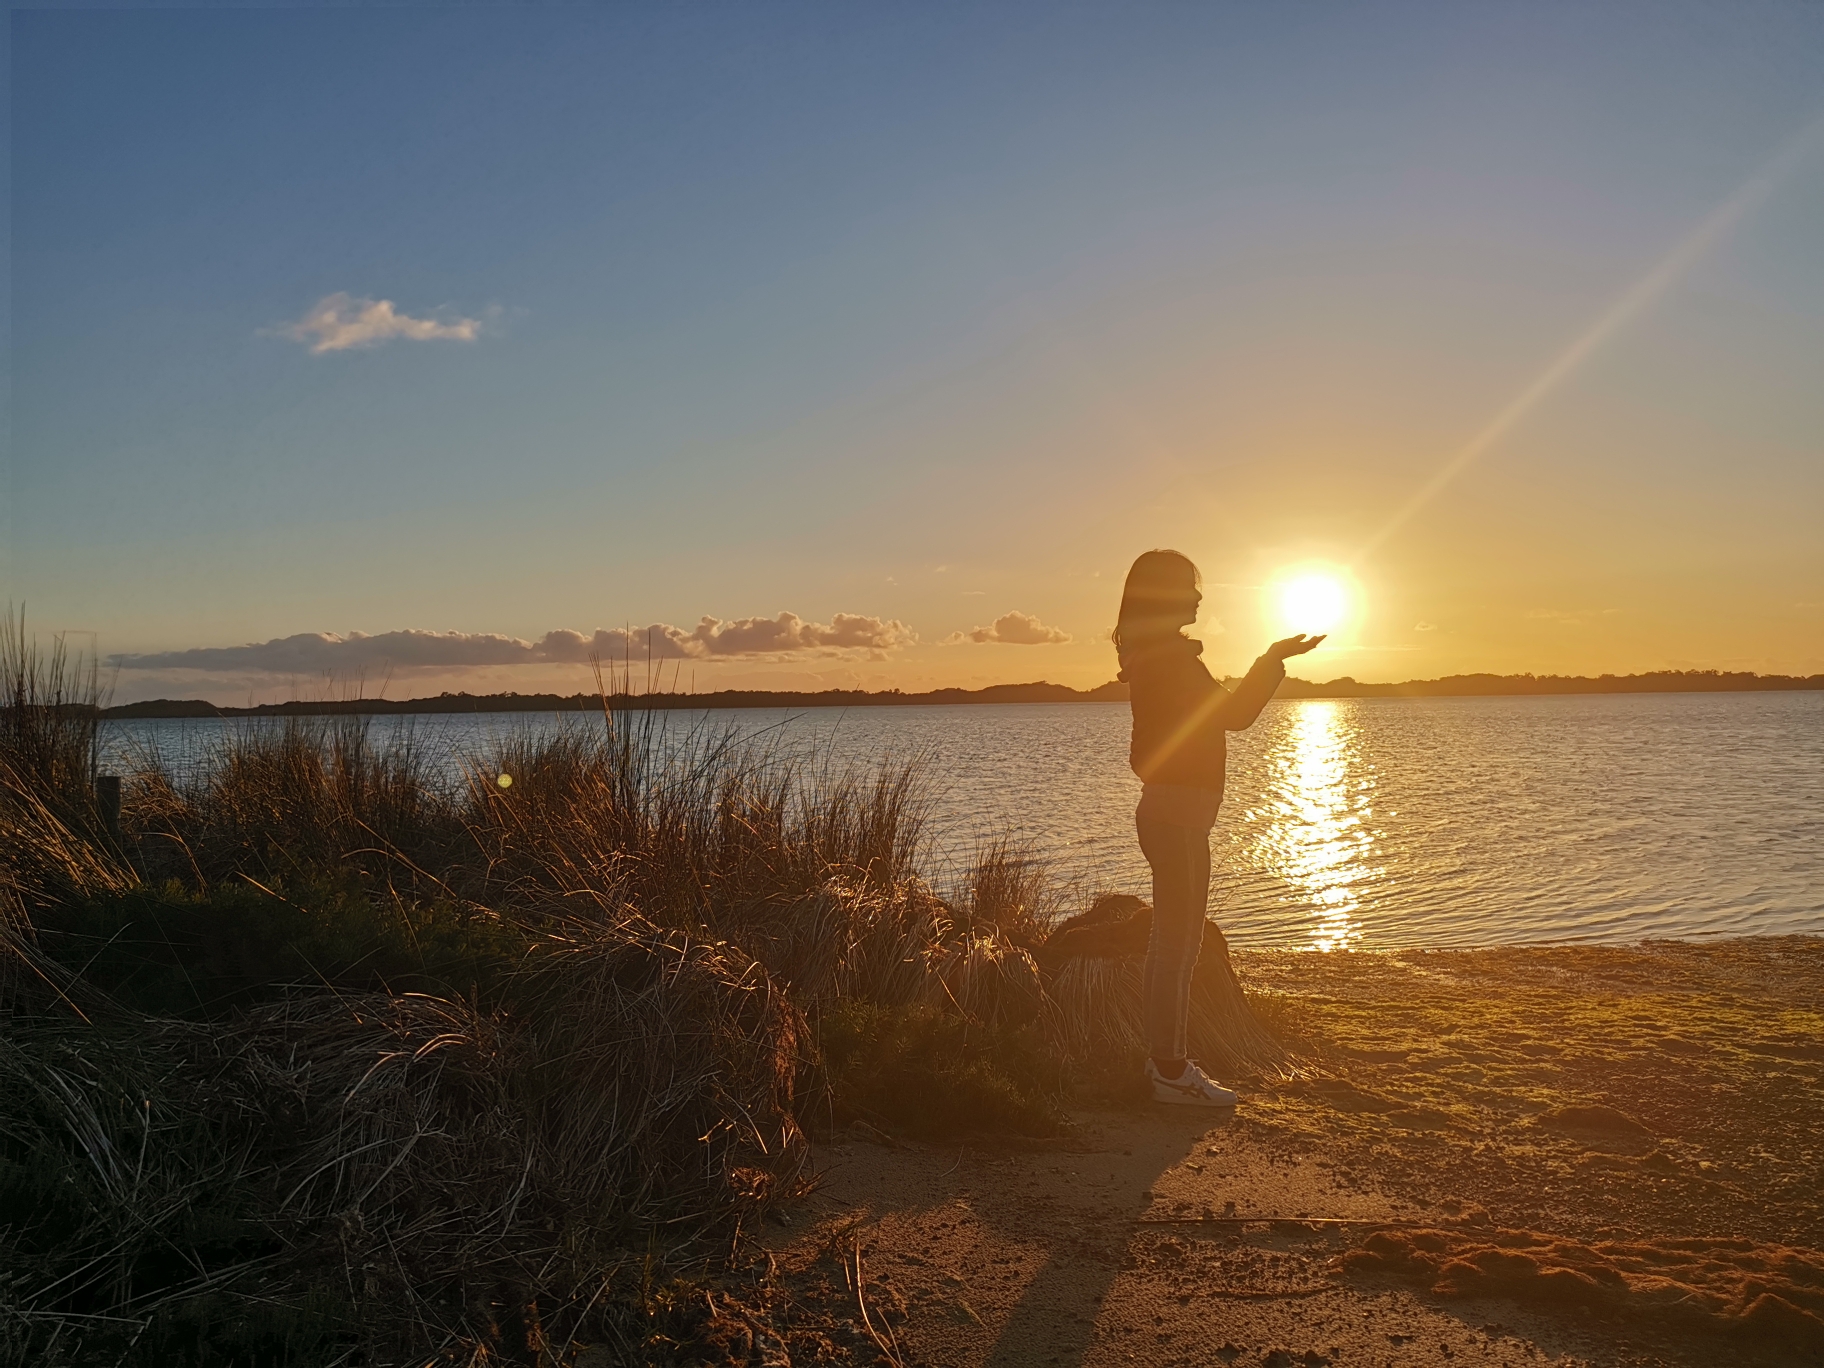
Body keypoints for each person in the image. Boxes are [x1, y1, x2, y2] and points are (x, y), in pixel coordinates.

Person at [1114, 549, 1322, 1106]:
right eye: (1189, 586)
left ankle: (1164, 1066)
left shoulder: (1158, 656)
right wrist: (1272, 659)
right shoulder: (1170, 660)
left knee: (1172, 945)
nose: (1200, 596)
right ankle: (1170, 1071)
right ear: (1163, 595)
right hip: (1177, 815)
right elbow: (1233, 715)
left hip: (1174, 813)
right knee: (1178, 947)